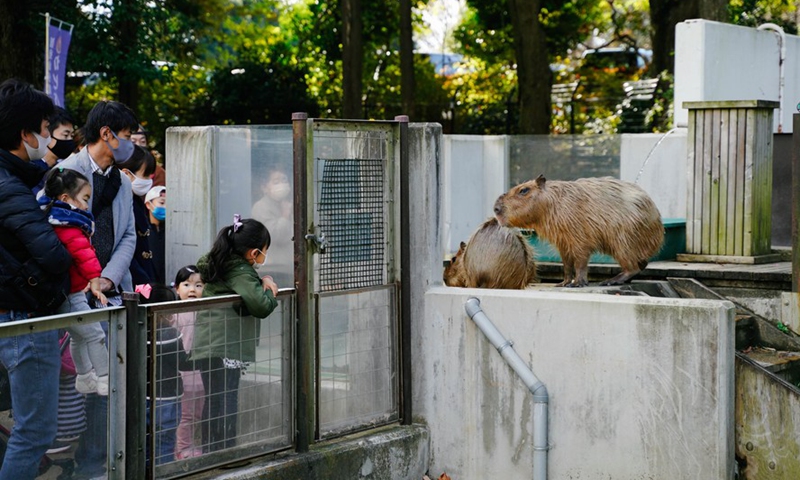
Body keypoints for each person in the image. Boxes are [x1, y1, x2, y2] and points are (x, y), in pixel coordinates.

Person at [58, 100, 139, 479]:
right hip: (73, 291)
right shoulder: (65, 173)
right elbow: (57, 235)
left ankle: (106, 461)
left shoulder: (121, 179)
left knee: (111, 381)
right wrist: (89, 278)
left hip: (111, 290)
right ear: (106, 134)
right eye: (126, 137)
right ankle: (86, 463)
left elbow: (128, 235)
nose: (131, 144)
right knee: (87, 381)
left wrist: (107, 276)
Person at [0, 78, 72, 480]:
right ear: (25, 133)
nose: (48, 140)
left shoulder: (13, 179)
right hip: (25, 321)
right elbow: (53, 256)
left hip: (11, 316)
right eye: (45, 130)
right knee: (35, 431)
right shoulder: (10, 188)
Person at [192, 216, 278, 452]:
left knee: (214, 398)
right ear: (254, 253)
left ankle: (211, 450)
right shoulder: (240, 270)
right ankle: (226, 451)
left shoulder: (221, 263)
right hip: (226, 344)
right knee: (227, 398)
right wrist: (269, 290)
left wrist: (261, 278)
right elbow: (260, 305)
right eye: (265, 251)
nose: (264, 257)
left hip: (209, 341)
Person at [38, 167, 110, 396]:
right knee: (95, 335)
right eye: (85, 199)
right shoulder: (68, 226)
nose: (87, 206)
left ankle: (85, 376)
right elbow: (84, 254)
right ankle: (106, 377)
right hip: (71, 295)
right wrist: (95, 280)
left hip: (71, 290)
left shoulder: (54, 220)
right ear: (66, 199)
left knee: (79, 337)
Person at [139, 283, 189, 466]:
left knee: (143, 442)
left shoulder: (137, 331)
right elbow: (182, 362)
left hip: (142, 396)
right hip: (168, 396)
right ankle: (162, 472)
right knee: (165, 442)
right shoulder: (171, 334)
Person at [171, 265, 205, 459]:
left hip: (201, 374)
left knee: (196, 414)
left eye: (198, 285)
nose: (192, 289)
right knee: (185, 416)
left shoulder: (205, 312)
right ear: (177, 288)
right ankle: (182, 449)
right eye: (186, 284)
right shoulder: (173, 313)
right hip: (183, 375)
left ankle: (188, 445)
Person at [116, 145, 158, 286]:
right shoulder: (119, 203)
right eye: (145, 175)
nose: (148, 181)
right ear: (126, 173)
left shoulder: (135, 200)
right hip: (131, 278)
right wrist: (143, 280)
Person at [250, 165, 293, 287]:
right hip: (272, 267)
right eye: (276, 182)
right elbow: (273, 236)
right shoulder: (261, 207)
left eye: (284, 180)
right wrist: (284, 216)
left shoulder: (288, 203)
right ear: (264, 187)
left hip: (288, 265)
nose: (282, 185)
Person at [145, 186, 166, 284]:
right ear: (148, 205)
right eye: (162, 203)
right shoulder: (142, 230)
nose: (165, 207)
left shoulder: (171, 232)